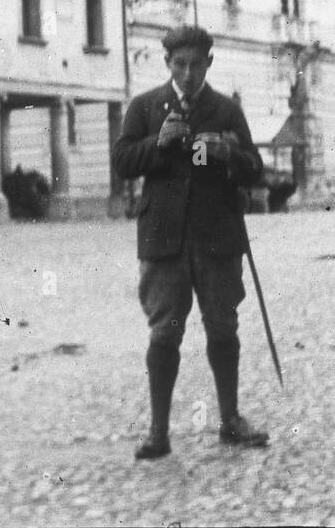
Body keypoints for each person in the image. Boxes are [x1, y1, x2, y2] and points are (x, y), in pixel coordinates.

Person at [113, 24, 269, 460]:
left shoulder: (225, 110)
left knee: (223, 328)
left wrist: (229, 155)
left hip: (217, 237)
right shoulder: (145, 107)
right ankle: (158, 432)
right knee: (164, 332)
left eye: (195, 65)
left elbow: (255, 167)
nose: (186, 73)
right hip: (164, 239)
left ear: (208, 64)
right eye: (179, 64)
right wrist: (156, 145)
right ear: (167, 64)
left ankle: (231, 420)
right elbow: (122, 161)